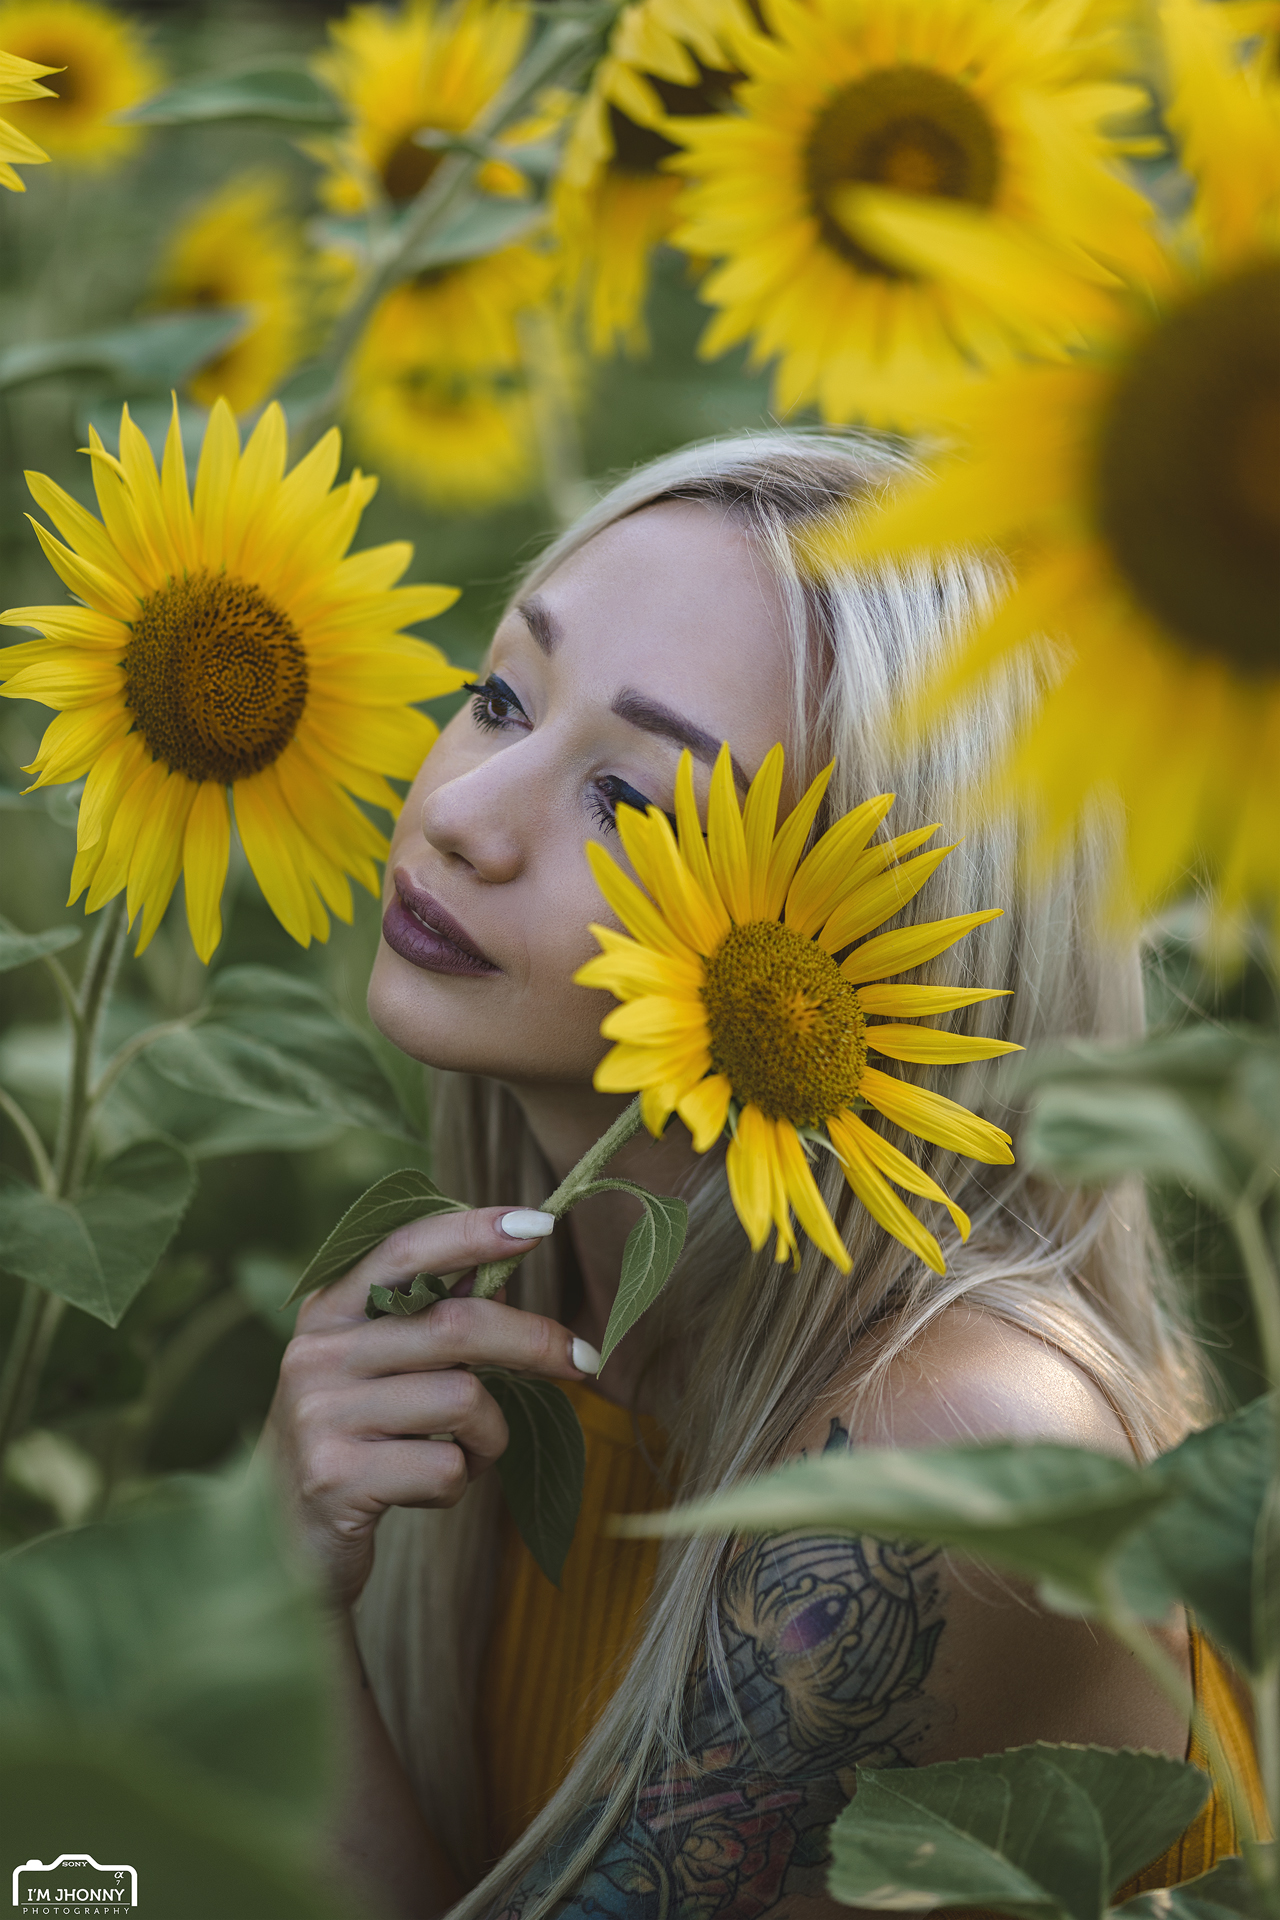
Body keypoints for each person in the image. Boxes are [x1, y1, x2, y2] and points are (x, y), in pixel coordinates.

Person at [260, 433, 1259, 1920]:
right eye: (499, 699)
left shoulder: (946, 1460)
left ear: (873, 956)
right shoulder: (512, 1344)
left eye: (638, 806)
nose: (462, 813)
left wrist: (275, 1622)